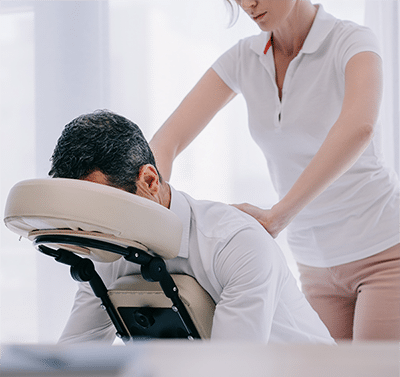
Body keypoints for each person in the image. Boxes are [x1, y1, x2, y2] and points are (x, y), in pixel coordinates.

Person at [149, 1, 400, 341]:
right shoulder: (244, 58)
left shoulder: (352, 41)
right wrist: (151, 206)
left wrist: (277, 216)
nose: (248, 4)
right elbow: (168, 140)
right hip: (314, 264)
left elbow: (360, 126)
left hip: (383, 252)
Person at [49, 110, 334, 344]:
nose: (94, 230)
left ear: (149, 181)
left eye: (102, 208)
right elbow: (74, 359)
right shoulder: (108, 254)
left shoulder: (235, 244)